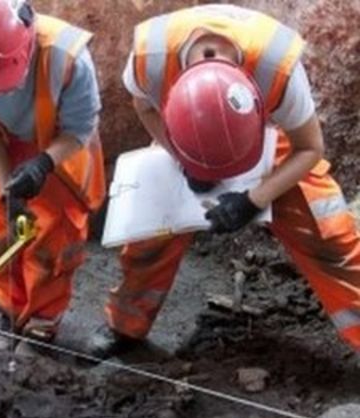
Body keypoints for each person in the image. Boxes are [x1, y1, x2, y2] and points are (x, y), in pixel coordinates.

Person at [90, 4, 360, 357]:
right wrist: (183, 158)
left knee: (329, 235)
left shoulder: (277, 69)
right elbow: (145, 108)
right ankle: (125, 325)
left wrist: (253, 199)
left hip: (265, 140)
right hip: (184, 136)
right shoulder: (149, 59)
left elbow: (310, 147)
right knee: (150, 235)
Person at [0, 0, 105, 349]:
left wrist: (42, 165)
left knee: (54, 233)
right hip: (1, 141)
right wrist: (8, 191)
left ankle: (41, 320)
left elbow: (80, 128)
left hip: (61, 144)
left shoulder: (68, 58)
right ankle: (9, 310)